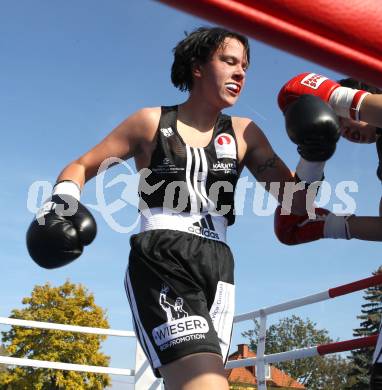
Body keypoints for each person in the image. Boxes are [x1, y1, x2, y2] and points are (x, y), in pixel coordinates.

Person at [24, 28, 360, 389]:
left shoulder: (247, 133)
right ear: (198, 68)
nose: (240, 73)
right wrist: (61, 203)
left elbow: (297, 203)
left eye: (245, 66)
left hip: (219, 264)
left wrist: (315, 157)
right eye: (229, 61)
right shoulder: (150, 122)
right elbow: (82, 164)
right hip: (162, 256)